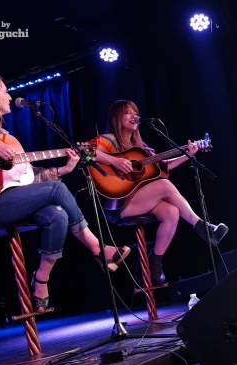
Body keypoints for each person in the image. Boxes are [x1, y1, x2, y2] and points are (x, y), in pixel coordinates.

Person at [0, 72, 130, 313]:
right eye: (3, 91)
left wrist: (63, 169)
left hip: (7, 202)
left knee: (56, 215)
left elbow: (25, 178)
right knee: (56, 190)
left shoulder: (8, 138)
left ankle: (41, 281)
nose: (9, 96)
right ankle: (98, 249)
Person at [88, 100, 228, 286]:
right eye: (127, 113)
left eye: (135, 112)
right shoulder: (108, 140)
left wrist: (188, 155)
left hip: (139, 200)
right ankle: (202, 227)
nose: (133, 116)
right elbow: (86, 152)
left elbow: (162, 168)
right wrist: (114, 162)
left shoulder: (141, 148)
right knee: (164, 186)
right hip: (117, 204)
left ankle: (156, 261)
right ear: (116, 118)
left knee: (172, 212)